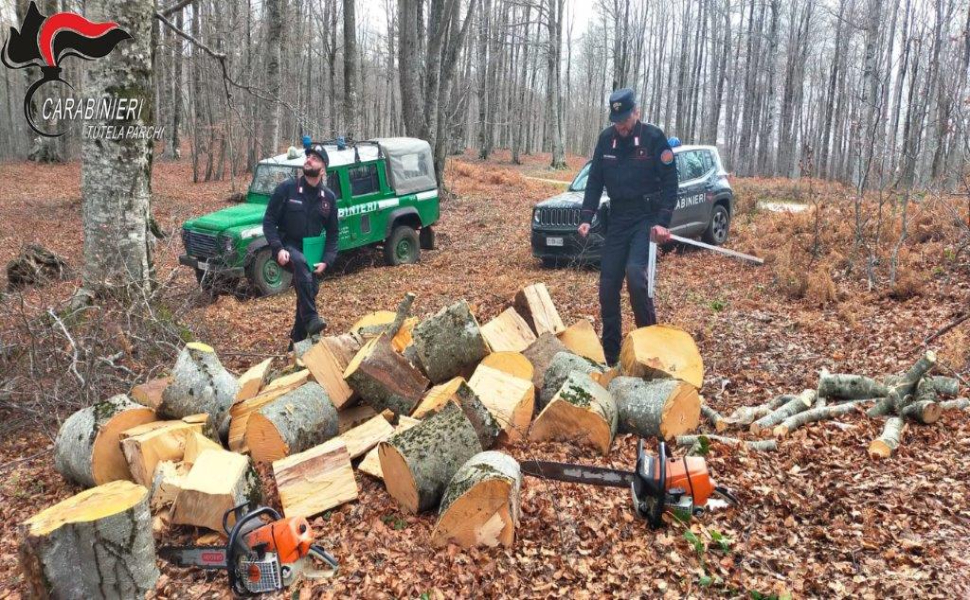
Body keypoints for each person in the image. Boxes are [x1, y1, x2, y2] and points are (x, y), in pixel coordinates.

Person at [577, 88, 678, 366]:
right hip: (618, 220)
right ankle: (611, 356)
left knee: (635, 276)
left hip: (645, 218)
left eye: (625, 118)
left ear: (637, 112)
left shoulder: (654, 138)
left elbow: (671, 185)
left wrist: (662, 223)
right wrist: (587, 216)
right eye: (616, 120)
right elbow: (595, 180)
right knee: (608, 287)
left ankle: (649, 347)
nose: (620, 125)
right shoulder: (605, 141)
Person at [263, 143, 339, 345]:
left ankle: (296, 342)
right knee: (300, 266)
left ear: (322, 169)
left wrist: (327, 261)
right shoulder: (287, 189)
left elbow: (333, 234)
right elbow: (269, 221)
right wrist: (277, 248)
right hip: (287, 246)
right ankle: (313, 319)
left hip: (312, 252)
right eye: (308, 157)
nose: (308, 160)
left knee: (309, 290)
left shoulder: (329, 199)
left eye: (314, 158)